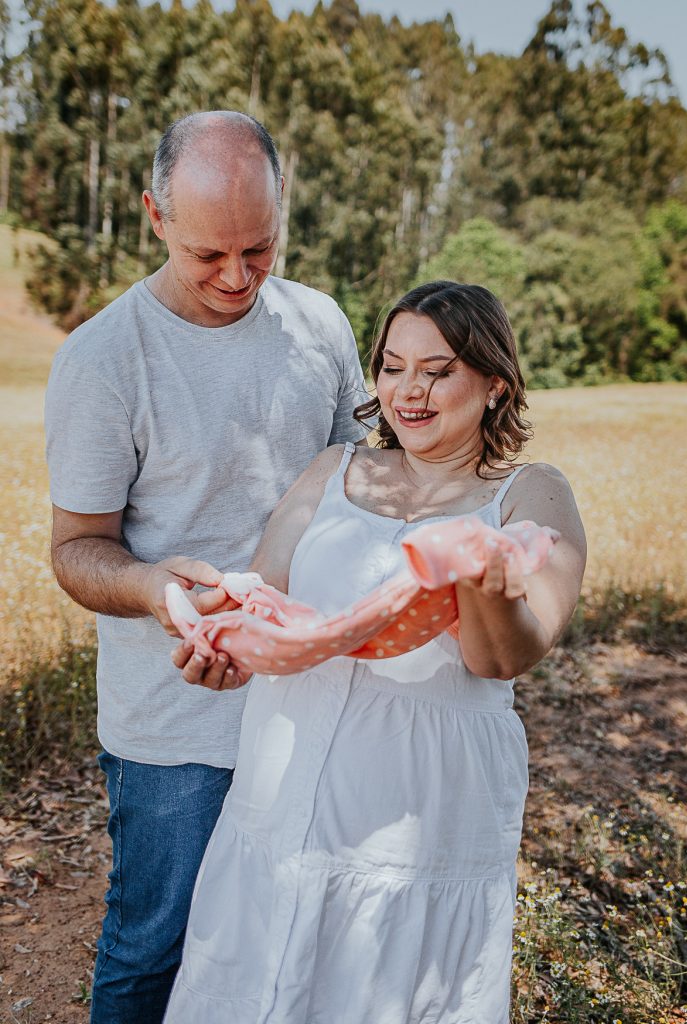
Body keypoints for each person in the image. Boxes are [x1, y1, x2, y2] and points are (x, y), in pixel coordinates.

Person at [165, 280, 587, 1023]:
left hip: (416, 809)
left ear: (494, 383)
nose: (408, 391)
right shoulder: (333, 470)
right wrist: (224, 644)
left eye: (438, 370)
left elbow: (505, 657)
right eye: (392, 367)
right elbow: (264, 600)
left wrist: (481, 584)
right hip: (284, 784)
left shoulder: (530, 494)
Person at [44, 111, 368, 1024]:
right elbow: (76, 549)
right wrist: (156, 589)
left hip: (315, 701)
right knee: (156, 943)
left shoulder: (320, 323)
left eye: (257, 249)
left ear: (281, 210)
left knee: (292, 937)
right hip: (174, 724)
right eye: (206, 255)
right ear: (155, 215)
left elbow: (358, 480)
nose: (234, 276)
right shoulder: (103, 361)